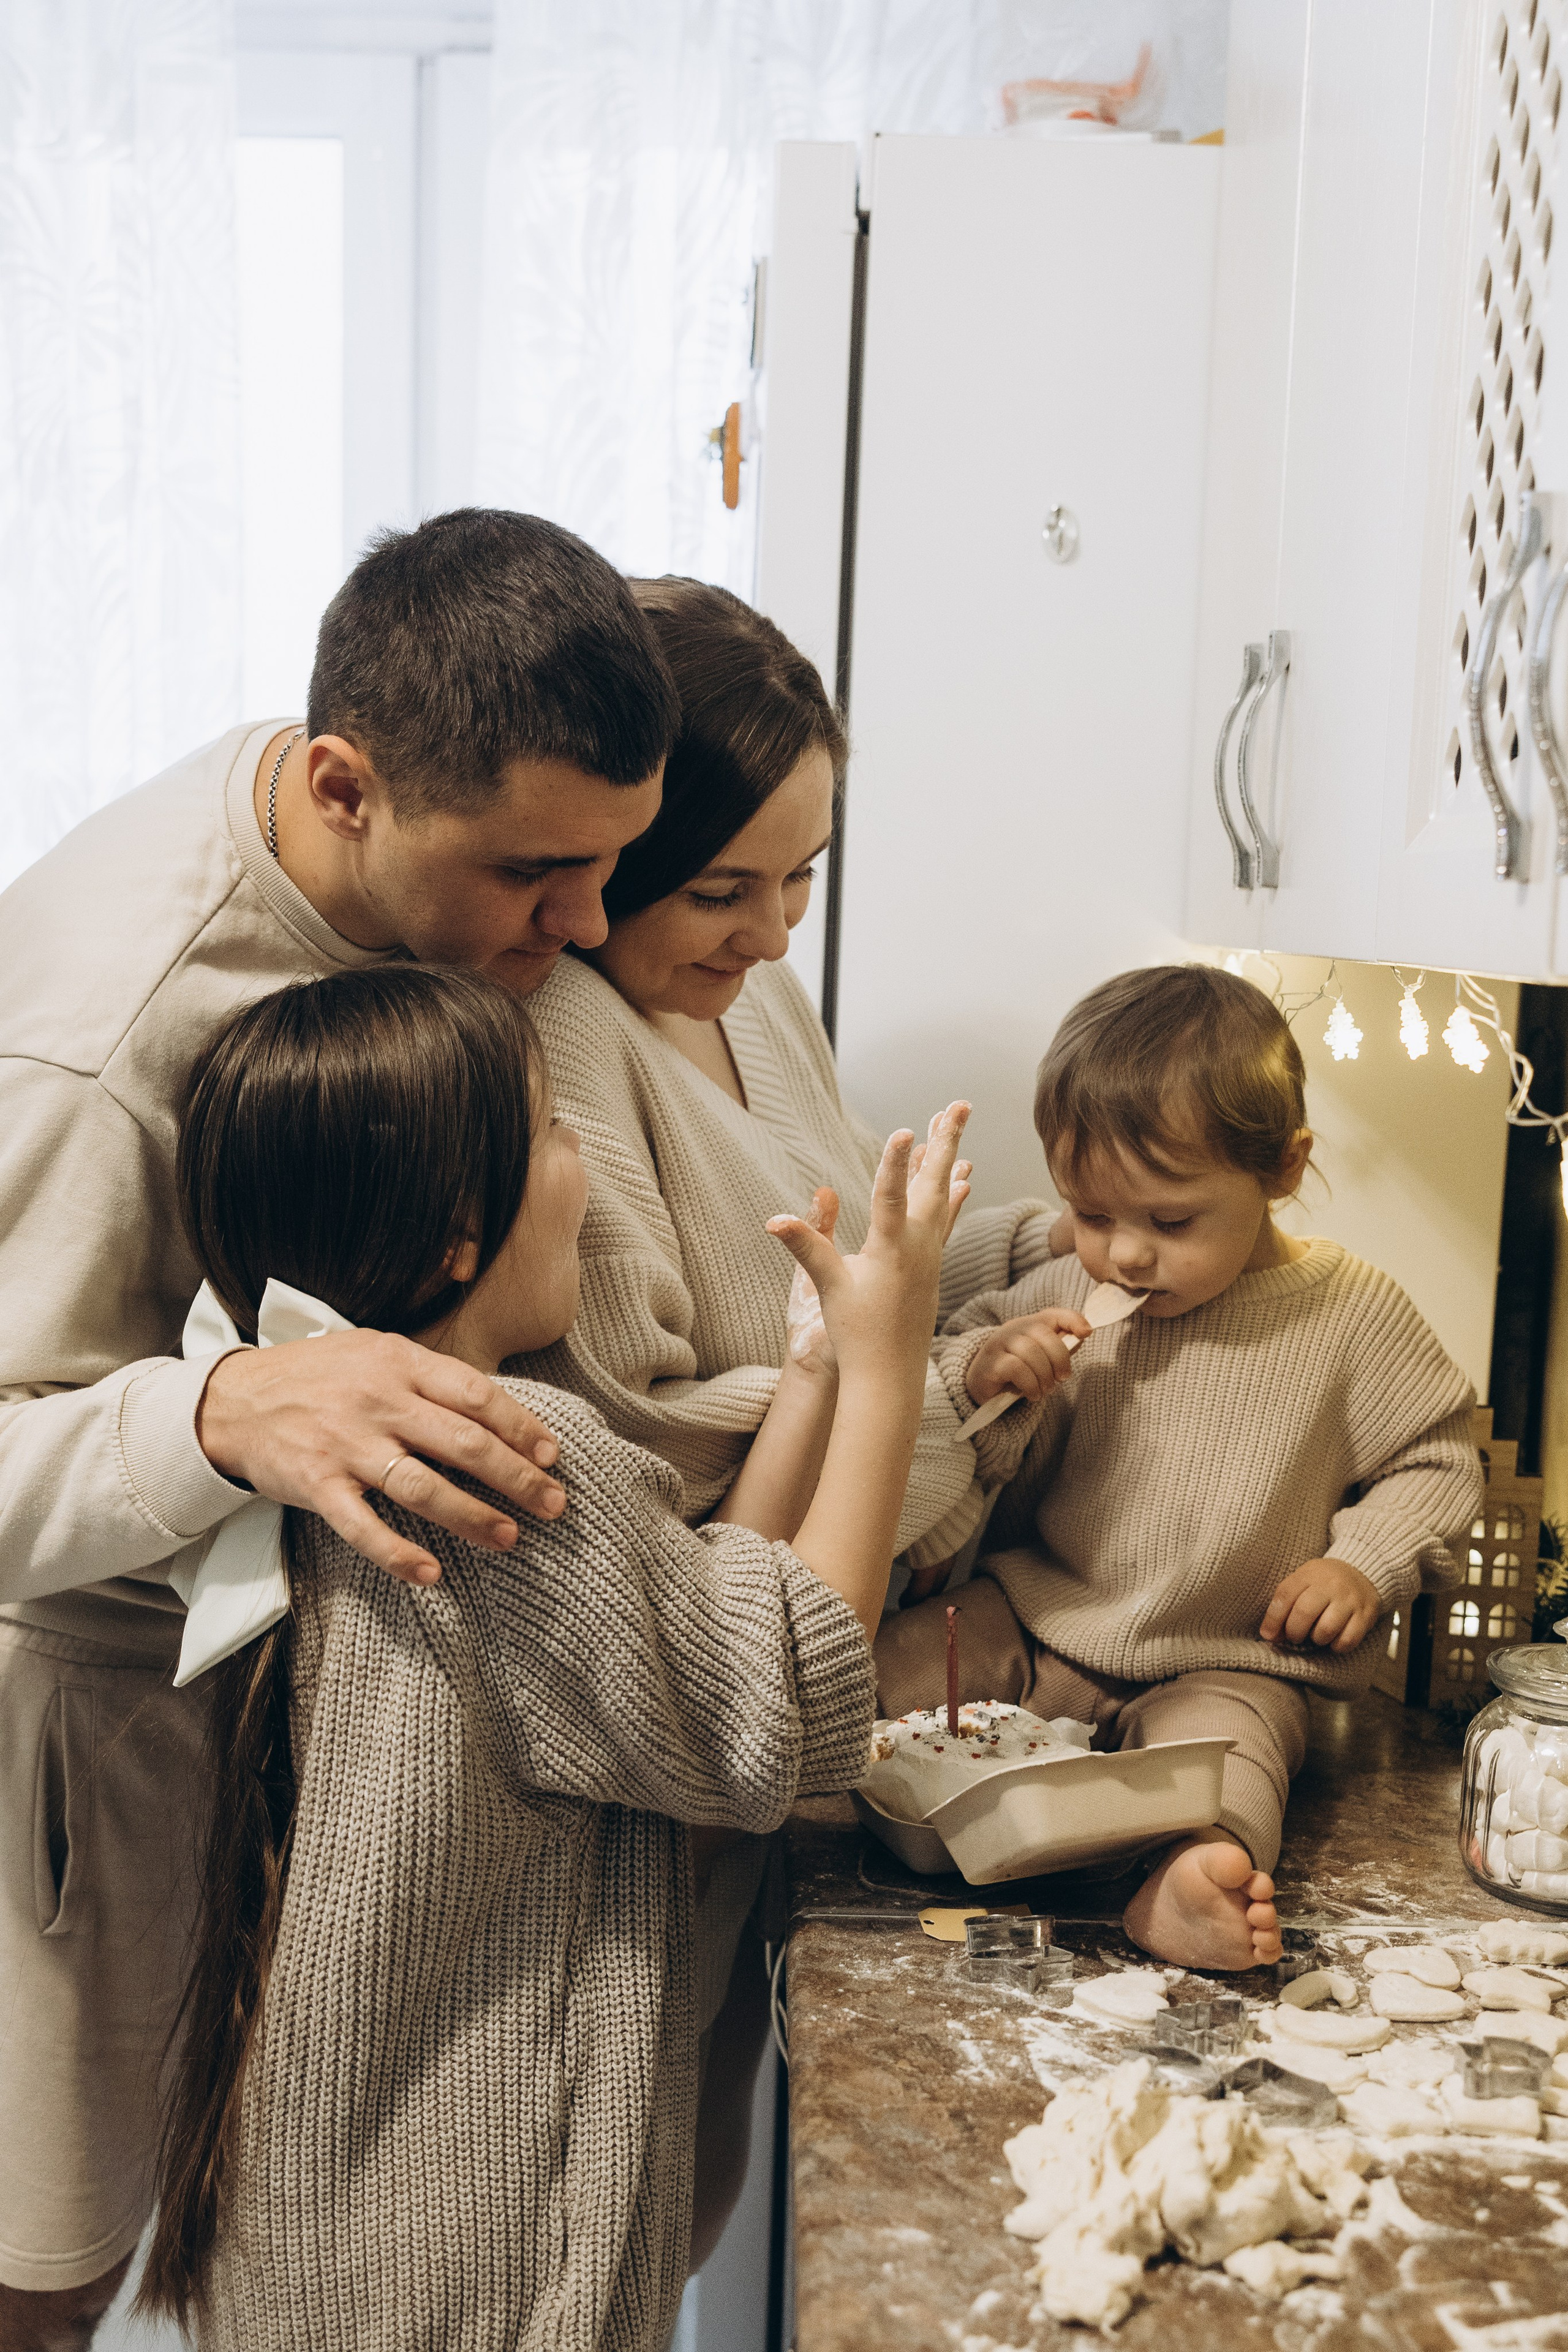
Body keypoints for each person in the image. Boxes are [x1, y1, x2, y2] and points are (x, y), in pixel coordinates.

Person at [0, 509, 677, 2343]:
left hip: (250, 1723)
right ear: (342, 786)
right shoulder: (100, 1036)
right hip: (68, 1741)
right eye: (539, 872)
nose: (587, 926)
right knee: (44, 2284)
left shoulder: (419, 864)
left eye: (612, 863)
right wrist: (226, 1410)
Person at [134, 965, 971, 2352]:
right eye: (554, 1130)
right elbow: (773, 1704)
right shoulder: (495, 1458)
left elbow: (695, 1632)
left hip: (331, 2224)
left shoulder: (328, 1436)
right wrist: (893, 1363)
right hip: (477, 2262)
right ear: (463, 1231)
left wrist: (814, 1378)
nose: (584, 1161)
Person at [518, 577, 1065, 2259]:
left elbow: (838, 1245)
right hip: (672, 1727)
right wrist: (941, 1386)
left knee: (692, 2188)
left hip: (801, 1678)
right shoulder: (561, 1033)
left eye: (804, 877)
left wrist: (1035, 1243)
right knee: (614, 2211)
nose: (771, 933)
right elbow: (646, 1437)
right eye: (723, 887)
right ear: (616, 850)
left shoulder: (742, 988)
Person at [876, 965, 1483, 1972]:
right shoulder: (1066, 1286)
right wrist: (985, 1366)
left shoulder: (1354, 1314)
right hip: (1034, 1614)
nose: (1124, 1256)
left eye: (1169, 1222)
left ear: (1283, 1168)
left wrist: (1363, 1563)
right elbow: (951, 1389)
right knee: (881, 1670)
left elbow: (1438, 1459)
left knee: (1235, 1764)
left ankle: (1190, 1878)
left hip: (1231, 1655)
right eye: (1092, 1214)